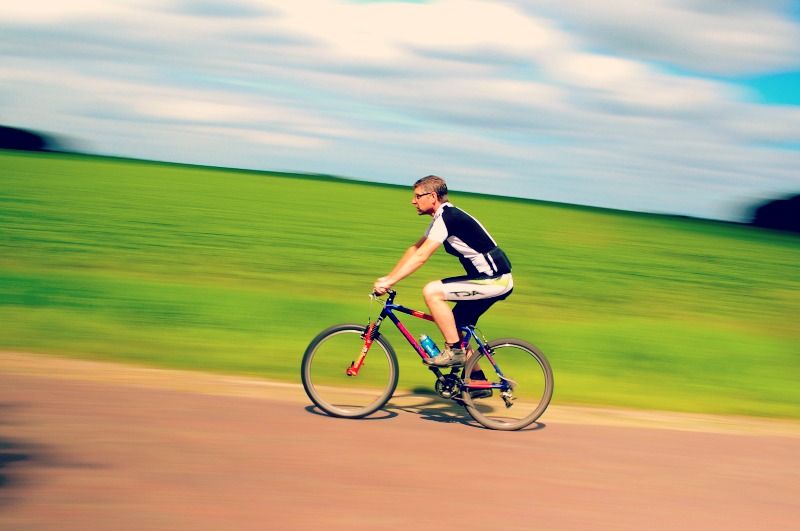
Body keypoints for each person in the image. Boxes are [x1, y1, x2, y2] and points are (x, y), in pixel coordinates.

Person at [373, 175, 513, 371]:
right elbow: (415, 249)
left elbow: (422, 256)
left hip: (495, 280)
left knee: (432, 291)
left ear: (432, 196)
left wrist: (390, 281)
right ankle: (476, 382)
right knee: (454, 327)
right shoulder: (441, 217)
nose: (413, 201)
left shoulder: (448, 217)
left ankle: (454, 352)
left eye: (417, 196)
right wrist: (389, 278)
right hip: (486, 279)